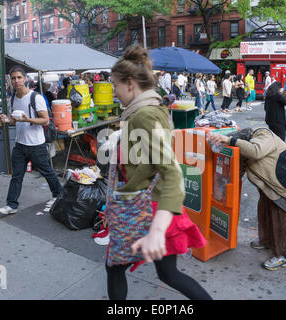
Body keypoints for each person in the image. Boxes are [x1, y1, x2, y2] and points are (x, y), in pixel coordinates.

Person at [106, 45, 212, 300]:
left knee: (114, 267)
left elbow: (173, 172)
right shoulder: (152, 106)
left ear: (130, 84)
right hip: (153, 206)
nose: (113, 92)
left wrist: (155, 231)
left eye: (115, 86)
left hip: (147, 210)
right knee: (168, 274)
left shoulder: (143, 115)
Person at [207, 128, 286, 271]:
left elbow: (256, 151)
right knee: (265, 212)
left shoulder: (263, 134)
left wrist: (229, 140)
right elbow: (237, 172)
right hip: (272, 186)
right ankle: (267, 241)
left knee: (282, 218)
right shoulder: (242, 152)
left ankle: (283, 256)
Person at [0, 65, 62, 215]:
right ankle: (11, 205)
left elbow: (45, 120)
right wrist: (7, 119)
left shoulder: (35, 97)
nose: (16, 81)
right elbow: (14, 121)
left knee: (48, 173)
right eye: (13, 78)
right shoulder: (12, 99)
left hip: (36, 145)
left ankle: (59, 194)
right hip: (20, 145)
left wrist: (27, 119)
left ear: (25, 79)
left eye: (19, 77)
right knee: (17, 176)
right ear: (10, 80)